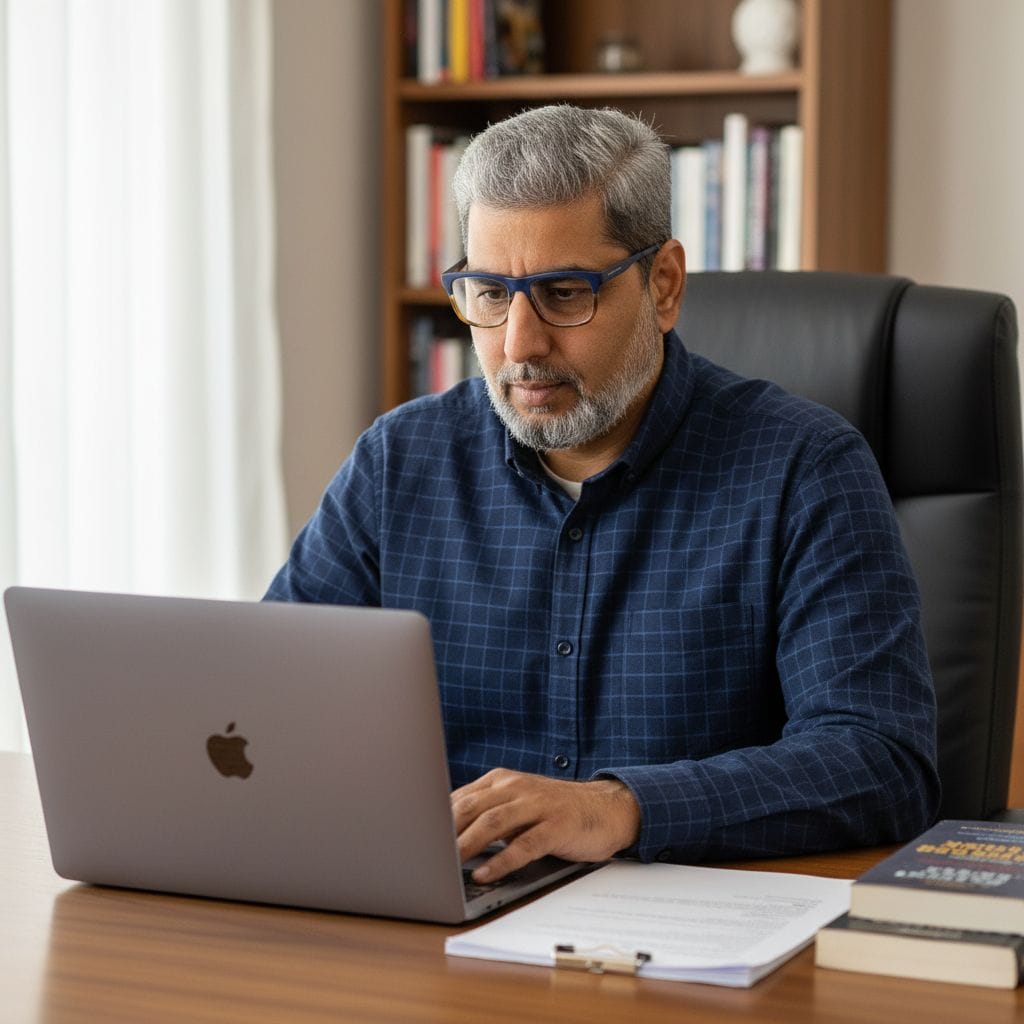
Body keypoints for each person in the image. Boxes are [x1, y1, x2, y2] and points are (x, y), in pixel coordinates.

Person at [265, 104, 940, 885]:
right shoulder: (399, 462)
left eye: (562, 293)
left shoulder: (803, 468)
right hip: (443, 920)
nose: (519, 344)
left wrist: (620, 808)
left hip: (684, 948)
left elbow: (882, 760)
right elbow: (271, 703)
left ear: (662, 285)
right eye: (489, 293)